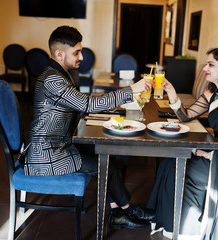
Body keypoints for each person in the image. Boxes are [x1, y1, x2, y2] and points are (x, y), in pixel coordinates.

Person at [24, 25, 155, 229]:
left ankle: (120, 212)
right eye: (76, 52)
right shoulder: (52, 80)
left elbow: (83, 104)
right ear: (59, 53)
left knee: (105, 155)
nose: (82, 57)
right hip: (47, 154)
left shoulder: (59, 74)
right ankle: (127, 211)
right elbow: (88, 105)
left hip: (59, 145)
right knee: (105, 165)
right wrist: (130, 90)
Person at [147, 47, 218, 239]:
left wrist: (206, 154)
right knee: (169, 162)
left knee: (184, 168)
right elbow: (186, 116)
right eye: (206, 63)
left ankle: (186, 231)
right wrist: (171, 92)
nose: (205, 67)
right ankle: (168, 223)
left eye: (211, 64)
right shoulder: (213, 93)